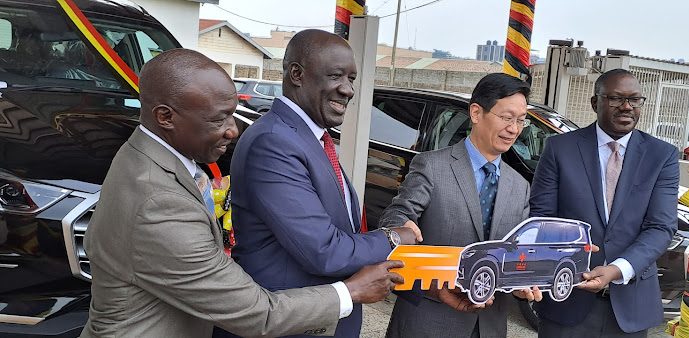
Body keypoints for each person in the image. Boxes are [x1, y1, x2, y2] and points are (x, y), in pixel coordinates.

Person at [81, 48, 406, 338]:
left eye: (233, 114)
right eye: (218, 119)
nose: (233, 130)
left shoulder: (141, 157)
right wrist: (351, 291)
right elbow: (257, 314)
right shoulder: (159, 203)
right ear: (165, 117)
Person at [225, 29, 421, 338]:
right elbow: (325, 249)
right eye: (336, 76)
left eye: (352, 79)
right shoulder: (274, 142)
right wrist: (393, 237)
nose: (348, 90)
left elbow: (343, 235)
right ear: (297, 74)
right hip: (289, 325)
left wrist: (432, 283)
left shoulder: (310, 137)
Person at [380, 73, 543, 338]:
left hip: (489, 326)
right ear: (477, 113)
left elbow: (517, 253)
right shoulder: (431, 166)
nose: (514, 128)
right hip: (429, 321)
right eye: (506, 117)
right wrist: (399, 226)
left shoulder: (519, 186)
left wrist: (522, 283)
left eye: (521, 120)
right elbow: (397, 214)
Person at [530, 68, 679, 337]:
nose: (626, 107)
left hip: (630, 308)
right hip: (568, 299)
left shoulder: (662, 156)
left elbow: (661, 227)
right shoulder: (559, 148)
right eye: (615, 99)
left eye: (635, 100)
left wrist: (617, 269)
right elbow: (543, 220)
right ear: (595, 102)